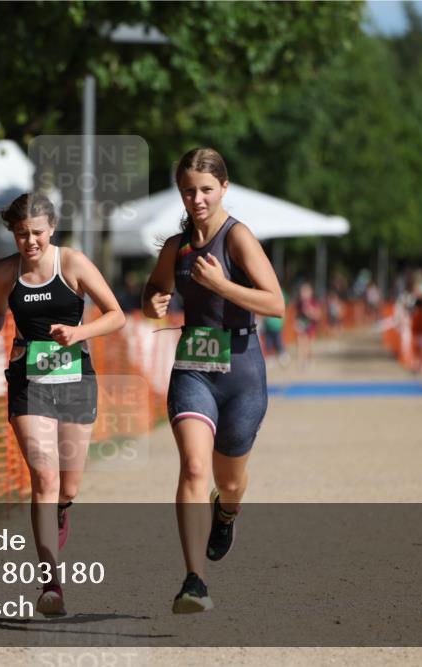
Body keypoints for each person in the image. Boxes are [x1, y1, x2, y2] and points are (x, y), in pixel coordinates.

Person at [141, 148, 284, 613]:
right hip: (193, 369)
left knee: (230, 480)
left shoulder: (237, 238)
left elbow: (276, 303)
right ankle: (193, 582)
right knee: (194, 470)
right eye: (188, 190)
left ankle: (227, 510)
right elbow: (155, 288)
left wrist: (222, 286)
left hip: (243, 370)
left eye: (205, 189)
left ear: (224, 187)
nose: (196, 198)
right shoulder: (174, 247)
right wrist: (153, 302)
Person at [0, 192, 125, 617]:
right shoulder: (5, 271)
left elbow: (116, 314)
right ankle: (50, 583)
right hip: (28, 379)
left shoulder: (72, 263)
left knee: (67, 487)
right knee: (43, 475)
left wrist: (78, 334)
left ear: (51, 228)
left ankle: (60, 512)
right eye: (21, 234)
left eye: (37, 233)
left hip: (76, 378)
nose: (30, 242)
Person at [294, 282, 321, 370]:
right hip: (302, 325)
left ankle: (309, 359)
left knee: (308, 345)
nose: (304, 294)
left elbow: (318, 315)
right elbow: (296, 314)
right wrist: (296, 323)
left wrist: (310, 313)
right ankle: (301, 362)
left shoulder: (313, 302)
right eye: (302, 292)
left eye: (306, 292)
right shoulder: (299, 303)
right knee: (300, 342)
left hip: (311, 326)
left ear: (310, 293)